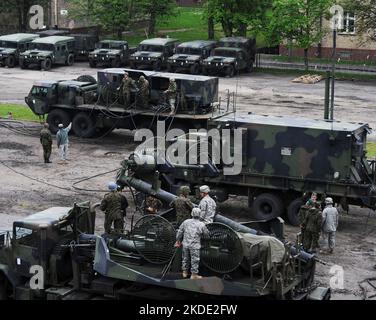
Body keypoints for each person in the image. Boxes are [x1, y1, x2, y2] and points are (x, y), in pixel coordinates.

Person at [175, 208, 209, 279]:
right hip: (195, 246)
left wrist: (178, 240)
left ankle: (184, 272)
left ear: (192, 214)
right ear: (199, 215)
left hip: (185, 244)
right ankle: (194, 275)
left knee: (185, 258)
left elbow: (180, 232)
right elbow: (206, 235)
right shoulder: (201, 224)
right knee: (195, 260)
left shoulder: (186, 222)